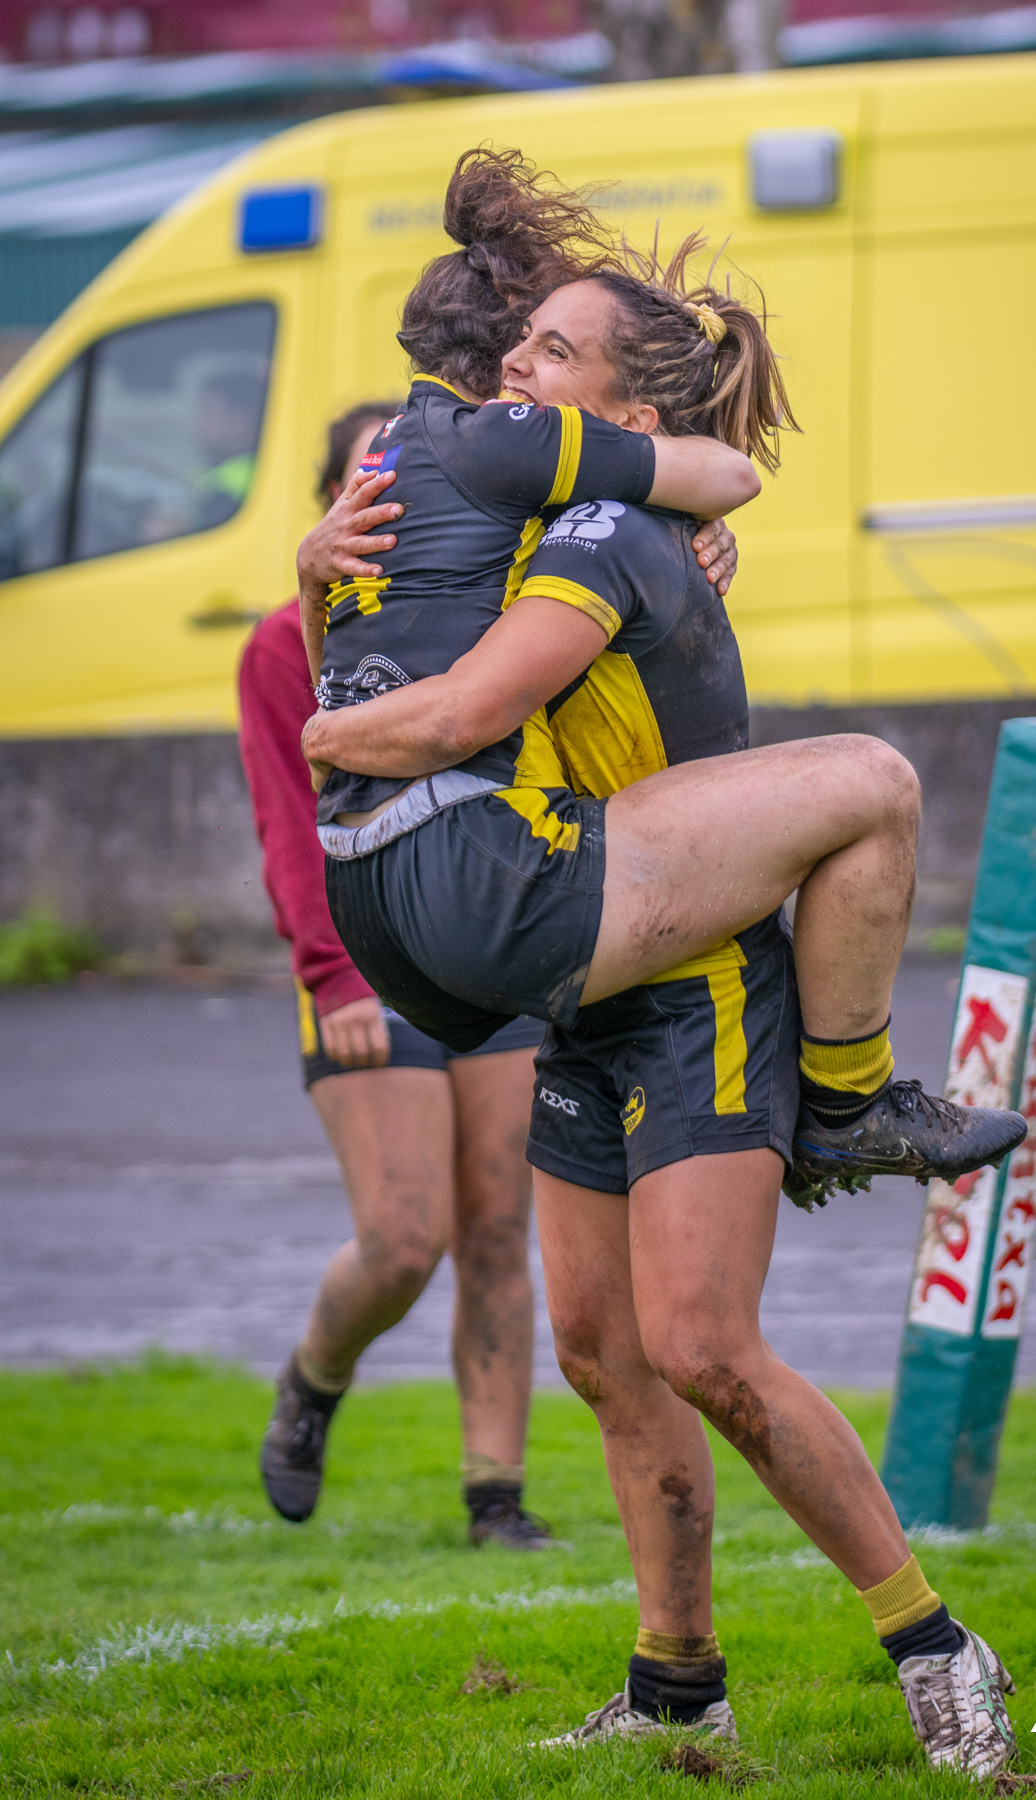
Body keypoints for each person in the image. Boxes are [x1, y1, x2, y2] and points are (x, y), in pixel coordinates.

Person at [299, 217, 1025, 1777]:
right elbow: (405, 625)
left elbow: (473, 704)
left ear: (628, 421)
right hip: (589, 972)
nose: (516, 369)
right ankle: (678, 1686)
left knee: (702, 1344)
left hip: (693, 983)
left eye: (555, 355)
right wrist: (313, 582)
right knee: (600, 1351)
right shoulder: (555, 520)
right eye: (520, 347)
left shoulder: (602, 536)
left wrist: (349, 744)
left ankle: (936, 1643)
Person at [238, 400, 551, 1549]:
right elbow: (290, 821)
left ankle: (496, 1500)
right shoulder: (283, 643)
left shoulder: (495, 609)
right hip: (364, 964)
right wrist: (331, 973)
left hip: (489, 951)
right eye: (375, 472)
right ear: (338, 498)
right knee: (405, 1235)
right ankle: (314, 1380)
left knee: (496, 1227)